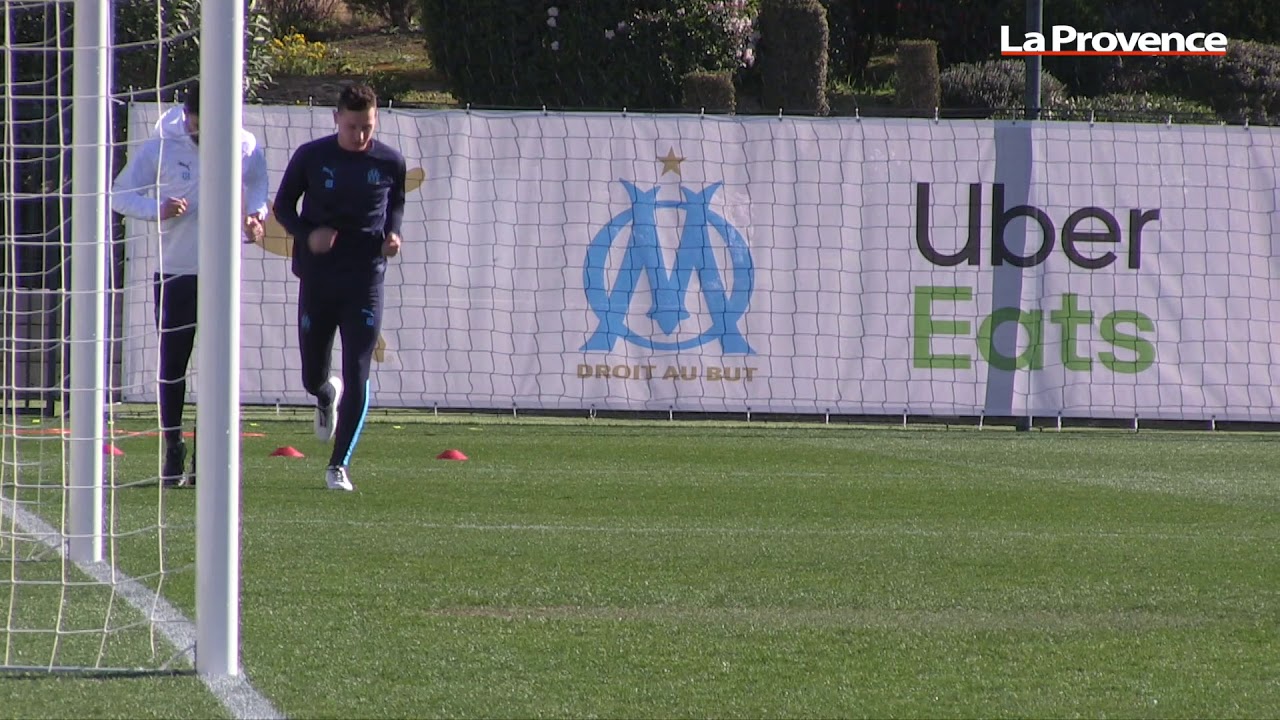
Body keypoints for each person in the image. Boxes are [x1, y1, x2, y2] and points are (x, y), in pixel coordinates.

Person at [111, 86, 269, 487]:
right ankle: (172, 447)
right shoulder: (164, 142)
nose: (203, 134)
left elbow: (258, 188)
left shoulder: (244, 144)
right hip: (176, 271)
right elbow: (120, 194)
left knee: (217, 368)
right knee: (172, 367)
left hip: (221, 274)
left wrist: (255, 216)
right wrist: (157, 210)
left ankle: (208, 454)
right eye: (198, 125)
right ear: (187, 115)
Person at [272, 84, 406, 492]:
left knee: (359, 369)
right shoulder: (312, 157)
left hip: (365, 278)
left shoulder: (389, 161)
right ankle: (324, 392)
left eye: (367, 126)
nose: (360, 136)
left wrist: (393, 235)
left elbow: (395, 204)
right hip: (318, 276)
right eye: (352, 127)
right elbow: (282, 207)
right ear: (336, 120)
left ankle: (338, 466)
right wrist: (307, 235)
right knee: (313, 373)